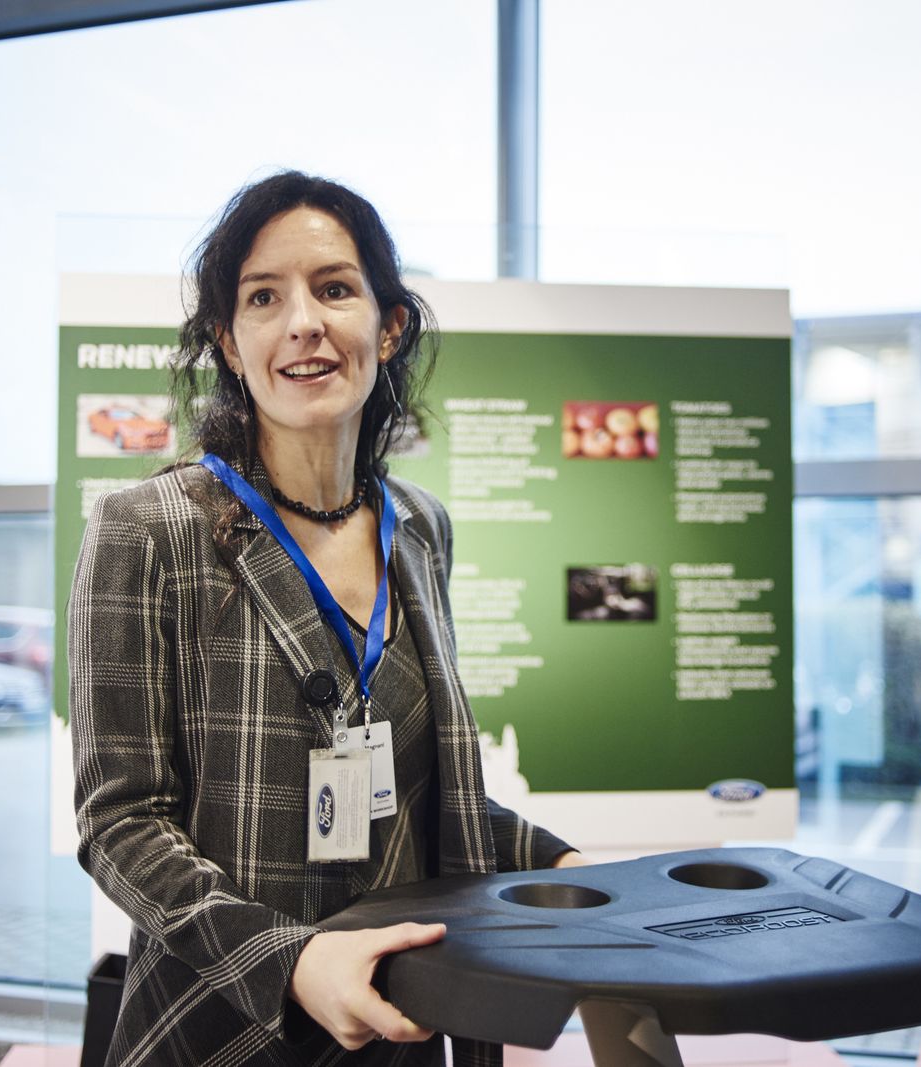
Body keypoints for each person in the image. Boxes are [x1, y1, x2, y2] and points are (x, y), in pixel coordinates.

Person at [69, 171, 582, 1067]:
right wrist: (294, 963)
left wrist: (565, 869)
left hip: (405, 1020)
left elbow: (425, 791)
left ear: (388, 327)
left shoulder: (419, 526)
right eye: (263, 297)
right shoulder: (145, 528)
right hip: (221, 1030)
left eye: (335, 288)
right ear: (230, 343)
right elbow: (121, 822)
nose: (303, 321)